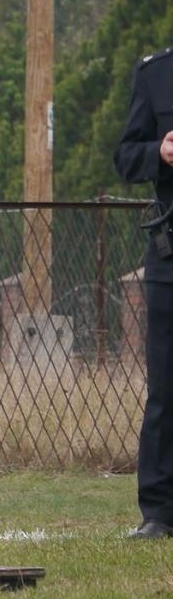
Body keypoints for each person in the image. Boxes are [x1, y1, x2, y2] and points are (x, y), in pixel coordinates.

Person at [115, 45, 173, 540]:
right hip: (170, 260)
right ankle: (159, 512)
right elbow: (125, 156)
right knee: (165, 391)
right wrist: (159, 151)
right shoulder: (156, 74)